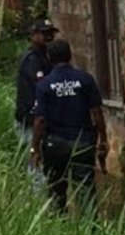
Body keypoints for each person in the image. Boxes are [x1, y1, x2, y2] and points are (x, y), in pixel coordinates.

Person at [31, 39, 108, 214]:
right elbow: (97, 114)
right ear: (70, 55)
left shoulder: (44, 85)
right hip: (83, 144)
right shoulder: (85, 80)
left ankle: (61, 232)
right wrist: (103, 140)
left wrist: (35, 148)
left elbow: (40, 121)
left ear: (49, 57)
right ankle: (91, 233)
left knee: (56, 191)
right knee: (86, 192)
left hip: (55, 146)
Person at [16, 17, 57, 148]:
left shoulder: (47, 56)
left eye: (51, 33)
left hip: (43, 119)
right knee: (33, 160)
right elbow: (41, 85)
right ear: (33, 35)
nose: (49, 37)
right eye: (45, 34)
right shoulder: (32, 59)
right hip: (30, 120)